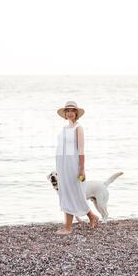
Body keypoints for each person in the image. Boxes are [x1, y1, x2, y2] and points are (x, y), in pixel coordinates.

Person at [55, 101, 99, 235]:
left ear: (76, 113)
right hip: (62, 163)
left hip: (72, 163)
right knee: (65, 192)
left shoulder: (78, 128)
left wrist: (82, 168)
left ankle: (68, 228)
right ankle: (92, 216)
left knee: (73, 193)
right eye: (67, 111)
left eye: (72, 111)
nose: (69, 113)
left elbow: (81, 150)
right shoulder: (64, 129)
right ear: (65, 114)